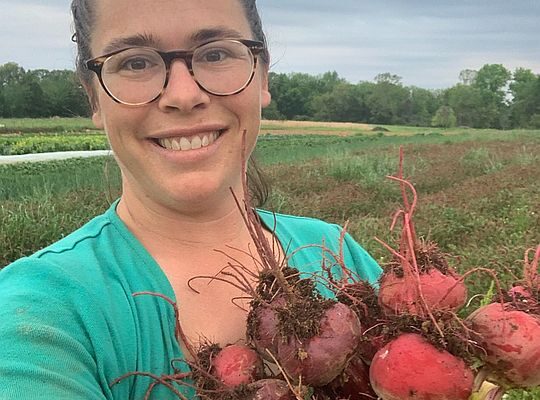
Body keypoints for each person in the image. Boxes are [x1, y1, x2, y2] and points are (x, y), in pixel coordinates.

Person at [0, 0, 381, 399]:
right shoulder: (38, 312)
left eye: (215, 53)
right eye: (134, 63)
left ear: (263, 76)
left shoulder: (335, 253)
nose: (183, 95)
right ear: (94, 96)